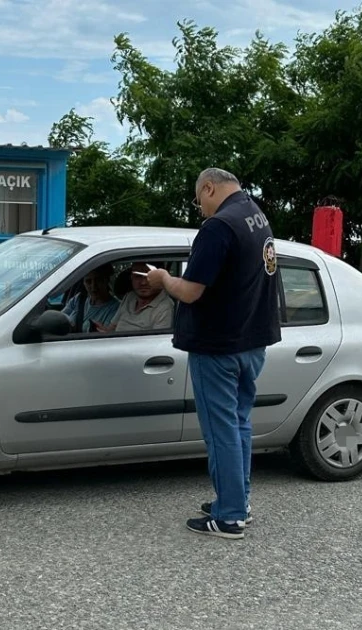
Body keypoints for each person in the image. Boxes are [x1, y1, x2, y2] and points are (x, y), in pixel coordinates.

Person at [146, 168, 281, 540]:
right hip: (252, 341)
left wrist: (162, 279)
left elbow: (190, 291)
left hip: (218, 345)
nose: (200, 208)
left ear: (209, 187)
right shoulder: (256, 215)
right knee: (238, 424)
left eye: (198, 199)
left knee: (221, 430)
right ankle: (238, 501)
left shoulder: (219, 226)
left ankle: (229, 518)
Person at [94, 262, 174, 333]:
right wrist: (102, 331)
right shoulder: (129, 297)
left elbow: (157, 345)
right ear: (131, 277)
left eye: (149, 276)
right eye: (138, 276)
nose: (143, 282)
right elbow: (112, 329)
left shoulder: (165, 307)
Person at [62, 263, 120, 332]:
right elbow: (60, 318)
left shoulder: (115, 309)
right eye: (88, 281)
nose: (93, 286)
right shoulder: (78, 299)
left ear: (106, 280)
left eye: (98, 280)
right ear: (83, 283)